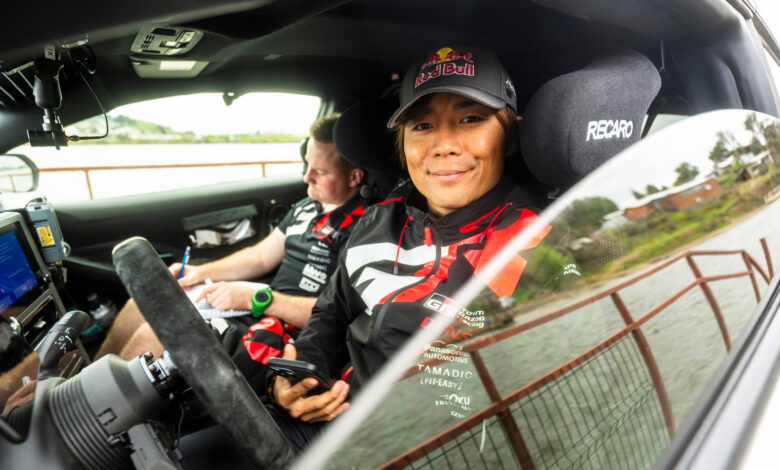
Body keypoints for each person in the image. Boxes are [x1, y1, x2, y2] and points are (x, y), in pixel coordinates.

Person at [265, 45, 551, 450]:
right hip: (337, 426)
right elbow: (332, 312)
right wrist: (298, 378)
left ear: (510, 136)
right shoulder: (378, 219)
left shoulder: (540, 242)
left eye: (470, 119)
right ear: (401, 143)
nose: (444, 145)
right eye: (421, 126)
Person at [95, 114, 373, 371]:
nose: (306, 177)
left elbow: (337, 313)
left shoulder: (366, 230)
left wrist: (258, 300)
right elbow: (262, 257)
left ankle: (88, 412)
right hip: (256, 306)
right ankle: (77, 386)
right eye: (307, 165)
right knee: (144, 296)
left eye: (320, 172)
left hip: (284, 329)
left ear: (354, 177)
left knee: (157, 331)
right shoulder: (306, 207)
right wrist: (201, 273)